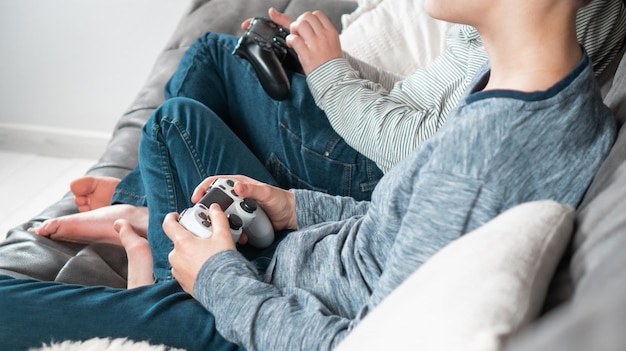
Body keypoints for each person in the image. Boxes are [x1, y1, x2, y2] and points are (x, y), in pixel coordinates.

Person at [1, 0, 617, 351]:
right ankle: (152, 261)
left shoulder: (490, 155)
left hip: (257, 330)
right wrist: (295, 206)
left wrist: (217, 279)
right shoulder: (527, 92)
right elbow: (394, 229)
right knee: (180, 122)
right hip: (274, 271)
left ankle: (154, 282)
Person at [29, 1, 626, 288]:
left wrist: (330, 73)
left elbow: (418, 151)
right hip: (354, 193)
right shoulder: (499, 45)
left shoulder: (539, 64)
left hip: (369, 169)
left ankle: (149, 218)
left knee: (179, 114)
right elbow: (428, 100)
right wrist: (331, 65)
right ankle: (147, 203)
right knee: (208, 68)